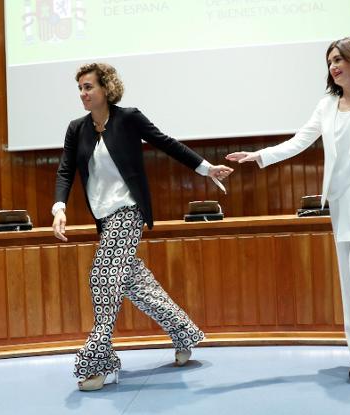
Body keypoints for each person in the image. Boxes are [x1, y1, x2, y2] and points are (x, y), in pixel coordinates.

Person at [226, 37, 350, 383]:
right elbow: (299, 141)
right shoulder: (327, 104)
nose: (334, 66)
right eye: (329, 62)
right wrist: (258, 156)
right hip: (342, 203)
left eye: (339, 59)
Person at [52, 63, 234, 391]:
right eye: (79, 88)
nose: (83, 93)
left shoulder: (128, 118)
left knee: (102, 279)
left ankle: (100, 363)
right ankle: (184, 332)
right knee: (135, 284)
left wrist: (206, 169)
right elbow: (66, 170)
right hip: (104, 218)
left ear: (106, 89)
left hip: (129, 210)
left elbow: (166, 143)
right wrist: (59, 207)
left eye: (89, 86)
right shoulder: (76, 129)